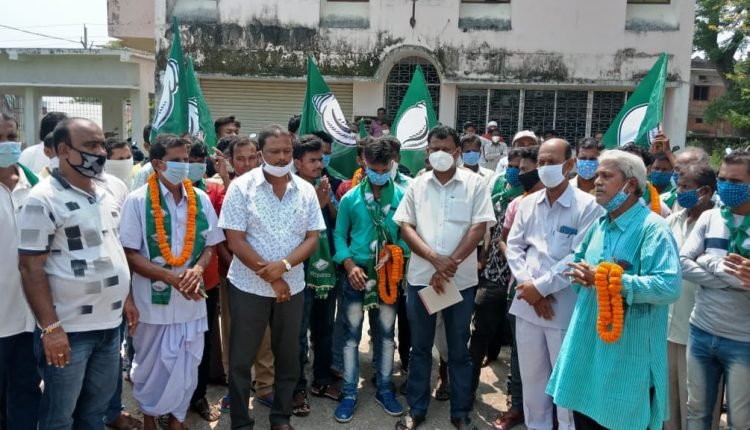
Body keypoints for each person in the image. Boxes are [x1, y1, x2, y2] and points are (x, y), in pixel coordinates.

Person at [549, 149, 681, 430]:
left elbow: (668, 286)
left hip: (627, 359)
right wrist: (582, 276)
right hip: (588, 350)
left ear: (630, 185)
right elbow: (579, 264)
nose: (596, 181)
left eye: (606, 176)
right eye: (597, 175)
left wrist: (609, 280)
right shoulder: (600, 225)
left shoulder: (653, 229)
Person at [17, 118, 131, 430]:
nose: (101, 153)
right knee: (59, 417)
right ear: (64, 150)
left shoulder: (107, 191)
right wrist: (51, 329)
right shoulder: (42, 199)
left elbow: (115, 250)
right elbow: (30, 267)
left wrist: (127, 300)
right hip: (69, 330)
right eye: (91, 146)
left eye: (102, 145)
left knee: (94, 413)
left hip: (110, 327)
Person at [219, 125, 325, 430]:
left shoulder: (305, 190)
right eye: (274, 152)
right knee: (241, 360)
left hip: (292, 288)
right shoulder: (241, 188)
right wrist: (273, 277)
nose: (281, 157)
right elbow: (235, 241)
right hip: (248, 287)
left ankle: (281, 418)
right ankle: (241, 422)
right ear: (260, 153)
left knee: (288, 357)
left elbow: (312, 238)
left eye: (287, 151)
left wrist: (285, 266)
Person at [393, 126, 496, 430]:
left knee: (459, 348)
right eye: (434, 148)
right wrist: (433, 258)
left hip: (460, 281)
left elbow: (479, 228)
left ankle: (460, 412)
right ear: (427, 152)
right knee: (420, 348)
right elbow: (406, 227)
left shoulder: (475, 184)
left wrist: (450, 264)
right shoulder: (417, 185)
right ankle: (416, 409)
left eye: (445, 148)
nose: (439, 153)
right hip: (422, 278)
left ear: (457, 152)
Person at [119, 134, 224, 430]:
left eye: (186, 160)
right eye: (176, 160)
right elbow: (128, 252)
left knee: (188, 366)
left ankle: (177, 422)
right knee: (150, 368)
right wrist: (170, 277)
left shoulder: (200, 198)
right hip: (152, 304)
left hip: (191, 302)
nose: (184, 166)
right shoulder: (137, 201)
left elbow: (210, 244)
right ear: (157, 164)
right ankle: (150, 421)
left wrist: (198, 270)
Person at [505, 139, 604, 430]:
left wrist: (541, 288)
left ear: (569, 165)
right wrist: (529, 287)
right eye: (541, 162)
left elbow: (579, 255)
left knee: (565, 384)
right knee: (533, 381)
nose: (545, 167)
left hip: (565, 309)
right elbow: (514, 247)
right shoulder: (527, 204)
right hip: (527, 304)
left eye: (552, 162)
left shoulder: (588, 206)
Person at [332, 137, 408, 423]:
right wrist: (349, 264)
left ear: (392, 164)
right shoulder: (351, 198)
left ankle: (385, 388)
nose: (378, 174)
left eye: (384, 169)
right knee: (351, 337)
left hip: (387, 275)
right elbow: (339, 234)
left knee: (386, 335)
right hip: (357, 274)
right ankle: (349, 392)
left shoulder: (402, 196)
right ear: (364, 163)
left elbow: (409, 234)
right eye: (373, 168)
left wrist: (396, 252)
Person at [680, 150, 750, 430]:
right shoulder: (710, 218)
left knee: (740, 421)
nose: (727, 186)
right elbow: (682, 263)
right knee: (696, 413)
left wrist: (707, 260)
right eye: (723, 179)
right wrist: (730, 276)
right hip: (701, 331)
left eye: (736, 181)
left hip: (743, 340)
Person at [213, 137, 276, 414]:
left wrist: (264, 270)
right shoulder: (219, 190)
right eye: (240, 159)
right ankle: (234, 387)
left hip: (266, 274)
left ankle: (265, 386)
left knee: (264, 333)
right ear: (231, 161)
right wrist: (235, 266)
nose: (247, 164)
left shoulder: (271, 187)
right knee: (233, 331)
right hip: (233, 273)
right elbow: (220, 238)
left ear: (259, 157)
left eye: (252, 158)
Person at [664, 163, 721, 430]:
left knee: (697, 405)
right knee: (668, 403)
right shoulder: (672, 221)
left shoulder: (719, 225)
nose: (679, 192)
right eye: (679, 186)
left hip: (701, 328)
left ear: (705, 191)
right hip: (667, 325)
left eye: (686, 187)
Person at [491, 146, 542, 430]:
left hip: (556, 294)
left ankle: (550, 411)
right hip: (520, 289)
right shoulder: (517, 205)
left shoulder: (576, 205)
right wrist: (522, 273)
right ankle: (518, 406)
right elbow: (505, 241)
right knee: (521, 354)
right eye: (518, 169)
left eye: (526, 169)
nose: (520, 174)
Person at [291, 135, 341, 416]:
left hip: (327, 269)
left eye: (321, 159)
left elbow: (336, 222)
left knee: (325, 329)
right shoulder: (289, 189)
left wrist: (326, 202)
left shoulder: (327, 184)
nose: (319, 164)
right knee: (298, 334)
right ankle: (297, 387)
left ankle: (322, 379)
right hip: (301, 270)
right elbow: (292, 230)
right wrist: (316, 205)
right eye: (313, 160)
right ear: (298, 162)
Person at [0, 112, 40, 430]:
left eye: (11, 137)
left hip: (32, 316)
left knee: (27, 391)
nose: (6, 144)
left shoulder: (37, 187)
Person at [622, 143, 671, 218]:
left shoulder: (662, 210)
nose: (629, 169)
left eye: (636, 165)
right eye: (625, 164)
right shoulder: (606, 200)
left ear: (647, 170)